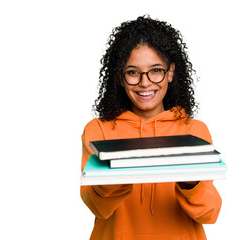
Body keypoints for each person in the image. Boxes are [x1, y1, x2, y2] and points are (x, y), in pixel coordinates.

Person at [81, 15, 222, 240]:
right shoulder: (99, 131)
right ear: (120, 76)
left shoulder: (194, 131)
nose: (145, 82)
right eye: (133, 72)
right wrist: (120, 171)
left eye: (156, 70)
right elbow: (96, 205)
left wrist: (191, 183)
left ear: (171, 72)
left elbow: (210, 213)